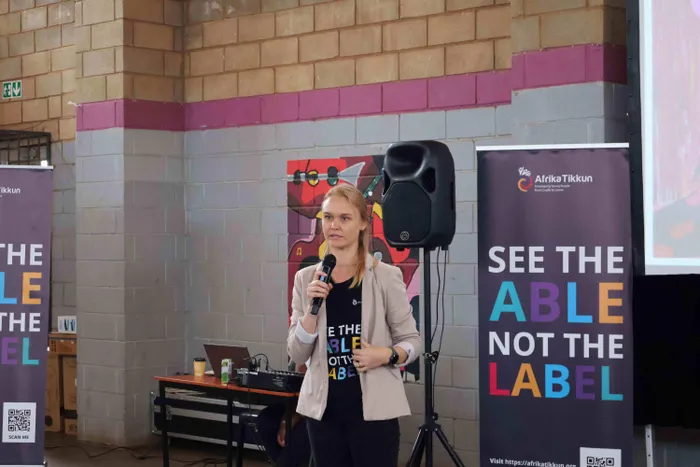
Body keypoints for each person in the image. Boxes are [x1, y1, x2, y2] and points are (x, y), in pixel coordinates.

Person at [287, 183, 422, 467]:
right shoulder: (306, 278)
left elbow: (412, 341)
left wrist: (386, 355)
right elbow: (297, 354)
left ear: (362, 223)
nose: (334, 225)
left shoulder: (385, 277)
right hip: (323, 414)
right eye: (328, 217)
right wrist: (311, 310)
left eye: (344, 218)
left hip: (374, 414)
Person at [254, 361, 312, 467]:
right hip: (295, 405)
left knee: (299, 434)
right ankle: (280, 461)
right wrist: (285, 420)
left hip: (314, 411)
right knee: (265, 419)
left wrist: (289, 421)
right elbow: (293, 394)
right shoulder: (297, 359)